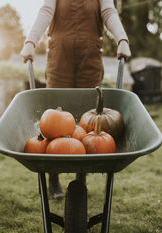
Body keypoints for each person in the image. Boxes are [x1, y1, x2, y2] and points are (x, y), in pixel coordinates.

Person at [21, 0, 131, 199]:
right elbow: (46, 11)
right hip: (59, 57)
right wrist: (30, 42)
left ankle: (81, 180)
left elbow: (109, 12)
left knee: (87, 119)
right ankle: (53, 180)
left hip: (89, 58)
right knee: (53, 120)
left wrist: (122, 39)